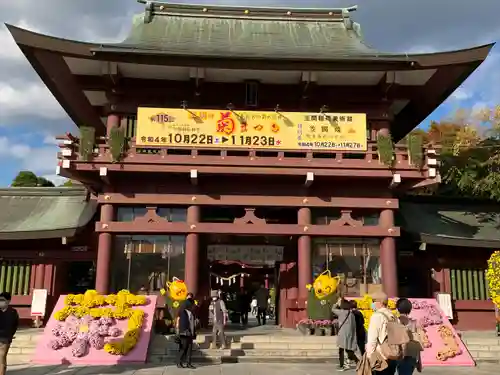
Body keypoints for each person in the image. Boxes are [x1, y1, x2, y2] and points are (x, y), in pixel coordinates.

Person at [366, 292, 398, 375]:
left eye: (373, 301)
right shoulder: (393, 315)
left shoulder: (377, 316)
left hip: (381, 356)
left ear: (379, 302)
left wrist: (369, 356)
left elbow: (372, 339)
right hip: (393, 354)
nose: (372, 304)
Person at [396, 298, 423, 375]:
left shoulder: (396, 322)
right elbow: (417, 342)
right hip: (412, 354)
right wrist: (419, 361)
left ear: (398, 308)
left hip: (399, 353)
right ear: (410, 309)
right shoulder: (414, 323)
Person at [332, 298, 358, 371]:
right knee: (348, 350)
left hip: (342, 334)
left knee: (342, 350)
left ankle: (344, 365)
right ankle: (356, 362)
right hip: (349, 334)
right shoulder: (351, 314)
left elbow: (333, 309)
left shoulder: (341, 312)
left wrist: (336, 303)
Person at [0, 292, 18, 375]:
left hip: (5, 338)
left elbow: (15, 325)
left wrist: (10, 335)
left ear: (8, 301)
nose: (1, 302)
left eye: (3, 300)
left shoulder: (13, 312)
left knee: (2, 357)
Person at [175, 299, 196, 369]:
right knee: (183, 349)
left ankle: (188, 363)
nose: (193, 306)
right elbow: (181, 324)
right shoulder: (183, 312)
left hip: (190, 333)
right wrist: (182, 332)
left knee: (189, 349)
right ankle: (178, 362)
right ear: (189, 305)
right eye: (192, 304)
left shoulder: (191, 312)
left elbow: (192, 323)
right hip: (184, 334)